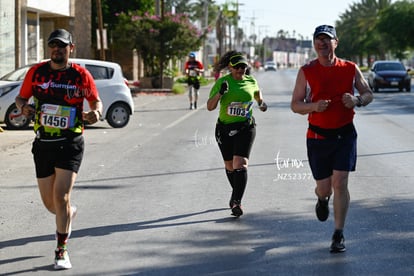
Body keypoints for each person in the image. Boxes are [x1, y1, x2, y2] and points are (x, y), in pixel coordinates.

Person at [15, 29, 103, 269]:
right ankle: (68, 212)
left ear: (70, 49)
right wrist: (23, 108)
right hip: (43, 143)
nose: (57, 50)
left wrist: (95, 112)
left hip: (70, 142)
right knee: (50, 204)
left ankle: (61, 250)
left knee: (61, 194)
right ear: (49, 49)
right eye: (53, 45)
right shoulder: (36, 73)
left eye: (62, 46)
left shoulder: (80, 75)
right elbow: (21, 99)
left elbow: (96, 101)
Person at [291, 25, 373, 253]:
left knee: (340, 183)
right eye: (319, 39)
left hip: (344, 134)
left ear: (336, 42)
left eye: (327, 39)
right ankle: (321, 198)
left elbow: (368, 93)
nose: (323, 43)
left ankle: (338, 234)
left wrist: (357, 101)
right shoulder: (306, 71)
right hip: (317, 137)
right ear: (314, 44)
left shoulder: (350, 68)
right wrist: (314, 107)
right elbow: (295, 105)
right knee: (325, 188)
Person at [207, 51, 267, 217]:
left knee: (240, 164)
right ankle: (236, 193)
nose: (241, 69)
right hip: (224, 129)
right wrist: (220, 93)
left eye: (243, 66)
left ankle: (236, 202)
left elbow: (257, 94)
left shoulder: (251, 81)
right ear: (230, 68)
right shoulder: (222, 82)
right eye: (237, 66)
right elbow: (210, 107)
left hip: (245, 128)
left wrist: (261, 103)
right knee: (230, 166)